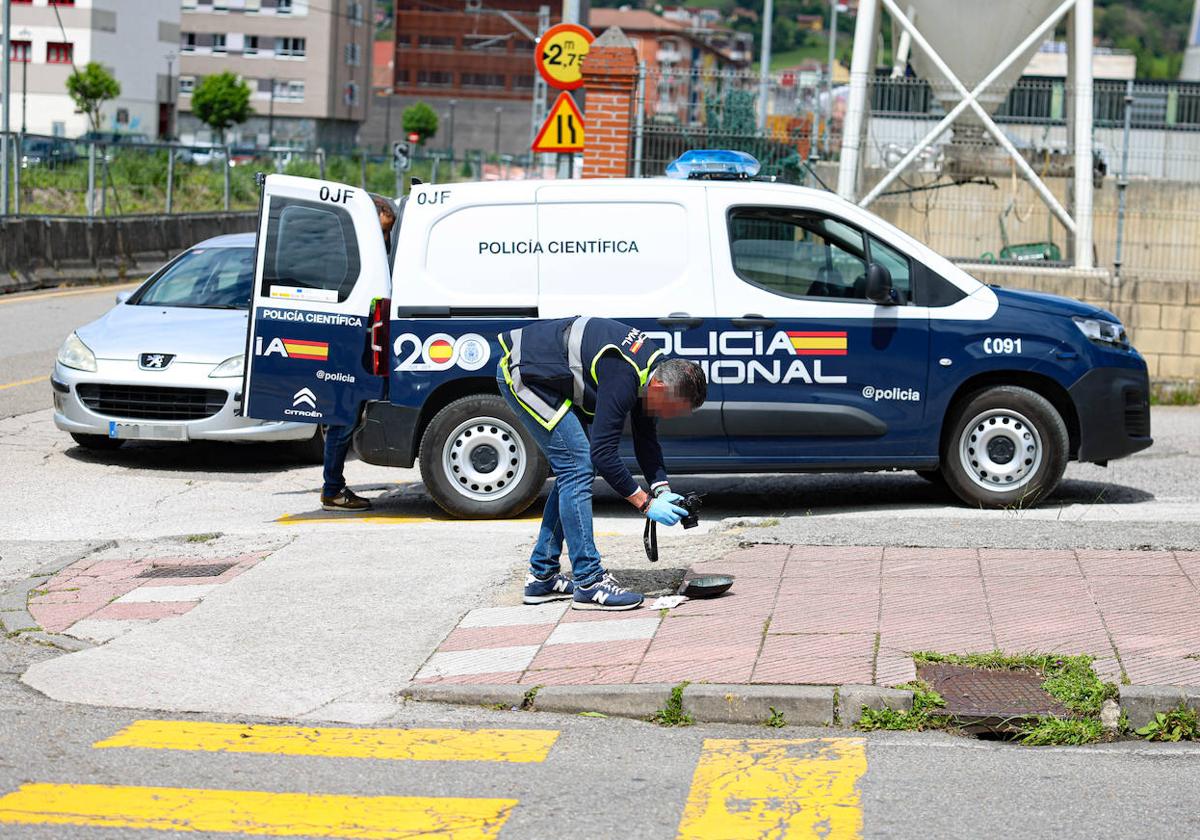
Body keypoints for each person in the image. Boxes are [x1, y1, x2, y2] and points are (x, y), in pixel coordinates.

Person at [497, 316, 707, 610]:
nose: (671, 416)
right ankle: (589, 582)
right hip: (524, 375)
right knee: (578, 466)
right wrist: (645, 503)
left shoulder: (653, 372)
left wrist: (661, 489)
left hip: (550, 376)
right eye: (673, 409)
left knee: (576, 467)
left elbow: (646, 439)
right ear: (659, 387)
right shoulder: (625, 376)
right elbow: (603, 453)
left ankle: (542, 576)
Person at [320, 195, 397, 512]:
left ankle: (333, 486)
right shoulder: (347, 255)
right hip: (346, 345)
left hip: (355, 344)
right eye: (381, 228)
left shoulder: (360, 251)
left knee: (345, 418)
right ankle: (332, 490)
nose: (383, 237)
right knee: (343, 417)